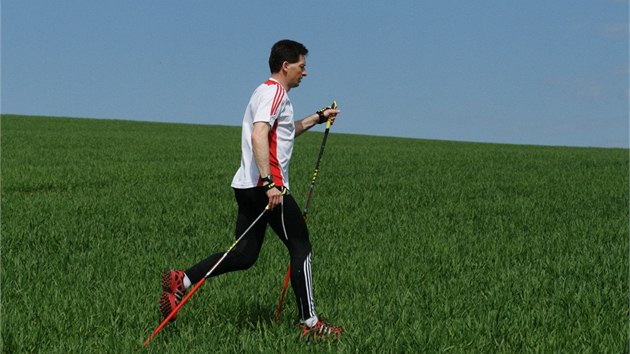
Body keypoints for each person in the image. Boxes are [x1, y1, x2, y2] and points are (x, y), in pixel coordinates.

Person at [159, 39, 342, 340]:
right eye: (301, 66)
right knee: (301, 246)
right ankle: (310, 324)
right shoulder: (275, 93)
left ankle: (184, 280)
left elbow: (285, 131)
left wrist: (318, 117)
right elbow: (260, 134)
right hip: (266, 188)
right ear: (286, 66)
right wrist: (270, 183)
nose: (305, 73)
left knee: (244, 254)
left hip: (247, 186)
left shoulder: (265, 92)